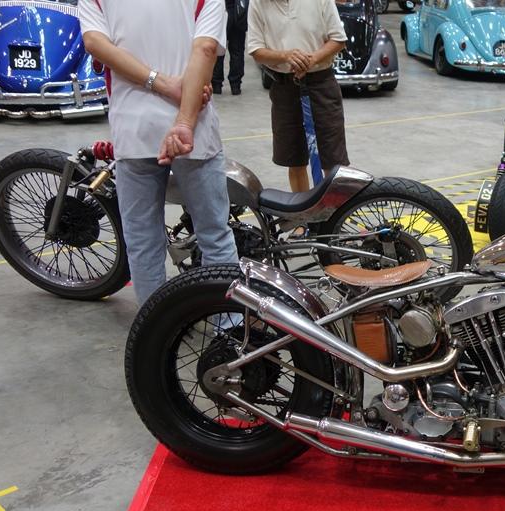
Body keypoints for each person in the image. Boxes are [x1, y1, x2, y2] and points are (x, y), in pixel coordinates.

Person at [79, 0, 239, 305]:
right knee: (215, 236)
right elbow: (205, 49)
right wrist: (184, 121)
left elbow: (95, 43)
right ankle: (227, 324)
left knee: (143, 242)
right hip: (195, 131)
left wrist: (161, 83)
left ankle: (154, 326)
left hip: (134, 128)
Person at [248, 0, 350, 193]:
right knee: (294, 158)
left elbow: (338, 39)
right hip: (284, 85)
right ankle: (303, 210)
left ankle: (334, 210)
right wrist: (286, 56)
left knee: (333, 158)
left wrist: (312, 59)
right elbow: (256, 50)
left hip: (321, 83)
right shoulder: (258, 3)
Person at [213, 0, 248, 95]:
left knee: (218, 50)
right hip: (238, 12)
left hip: (220, 13)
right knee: (237, 51)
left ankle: (216, 84)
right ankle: (235, 85)